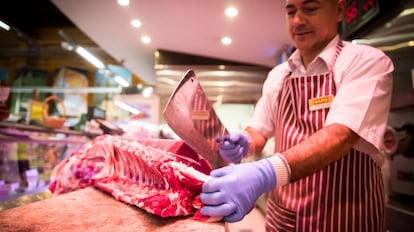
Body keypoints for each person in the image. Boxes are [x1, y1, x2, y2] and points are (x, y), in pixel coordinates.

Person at [200, 0, 394, 231]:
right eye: (291, 12)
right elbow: (259, 130)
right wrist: (245, 141)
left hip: (346, 218)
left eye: (310, 9)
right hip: (285, 217)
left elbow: (341, 136)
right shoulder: (279, 75)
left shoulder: (366, 61)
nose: (298, 20)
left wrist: (265, 174)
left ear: (339, 10)